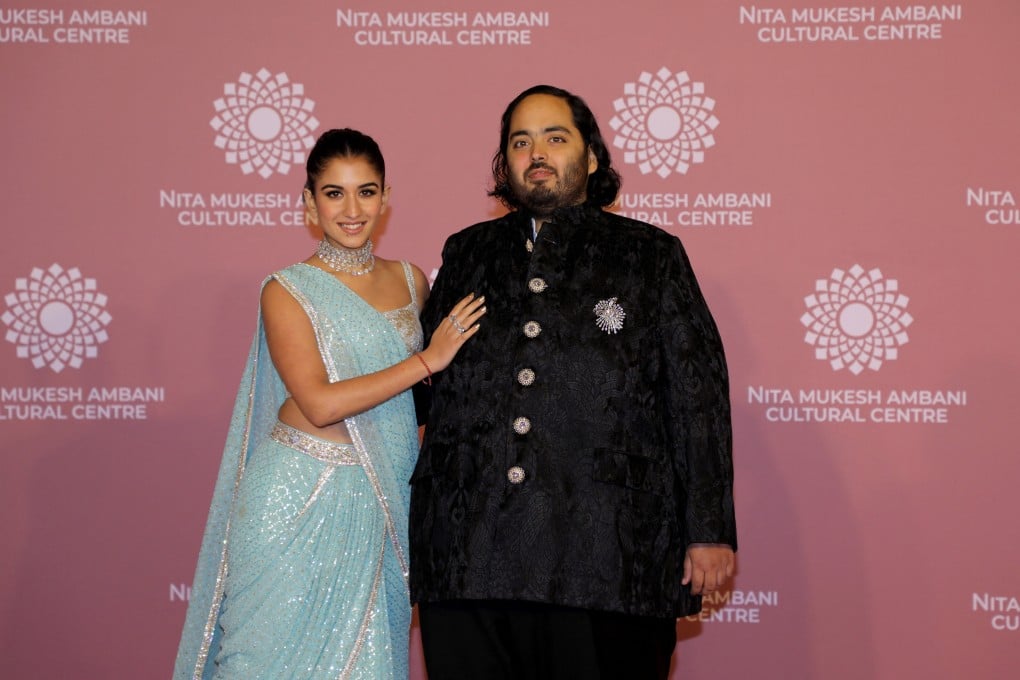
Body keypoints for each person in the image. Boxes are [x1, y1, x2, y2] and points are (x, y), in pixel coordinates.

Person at [409, 85, 736, 679]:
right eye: (520, 141)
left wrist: (707, 529)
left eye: (555, 138)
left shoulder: (650, 256)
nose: (537, 152)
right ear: (504, 163)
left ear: (590, 158)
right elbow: (423, 387)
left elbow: (697, 398)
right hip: (470, 552)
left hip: (609, 555)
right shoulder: (467, 253)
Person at [173, 128, 484, 680]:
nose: (351, 208)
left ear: (386, 198)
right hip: (293, 494)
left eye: (366, 191)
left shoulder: (412, 281)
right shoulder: (286, 289)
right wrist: (426, 362)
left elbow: (438, 399)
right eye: (334, 193)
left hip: (378, 498)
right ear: (309, 203)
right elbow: (317, 402)